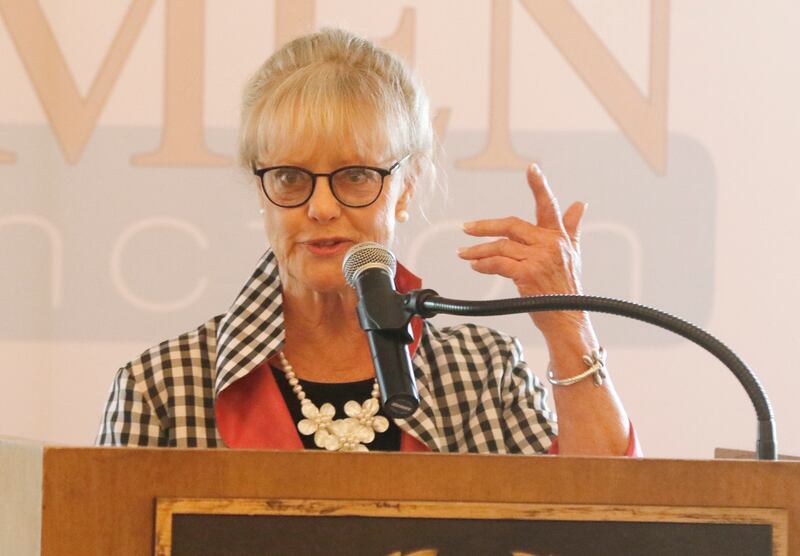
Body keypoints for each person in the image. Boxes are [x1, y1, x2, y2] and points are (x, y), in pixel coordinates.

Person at [96, 28, 638, 456]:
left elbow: (607, 522)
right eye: (290, 177)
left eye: (355, 175)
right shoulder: (164, 388)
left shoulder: (482, 373)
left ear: (407, 187)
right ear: (260, 189)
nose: (322, 206)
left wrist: (568, 323)